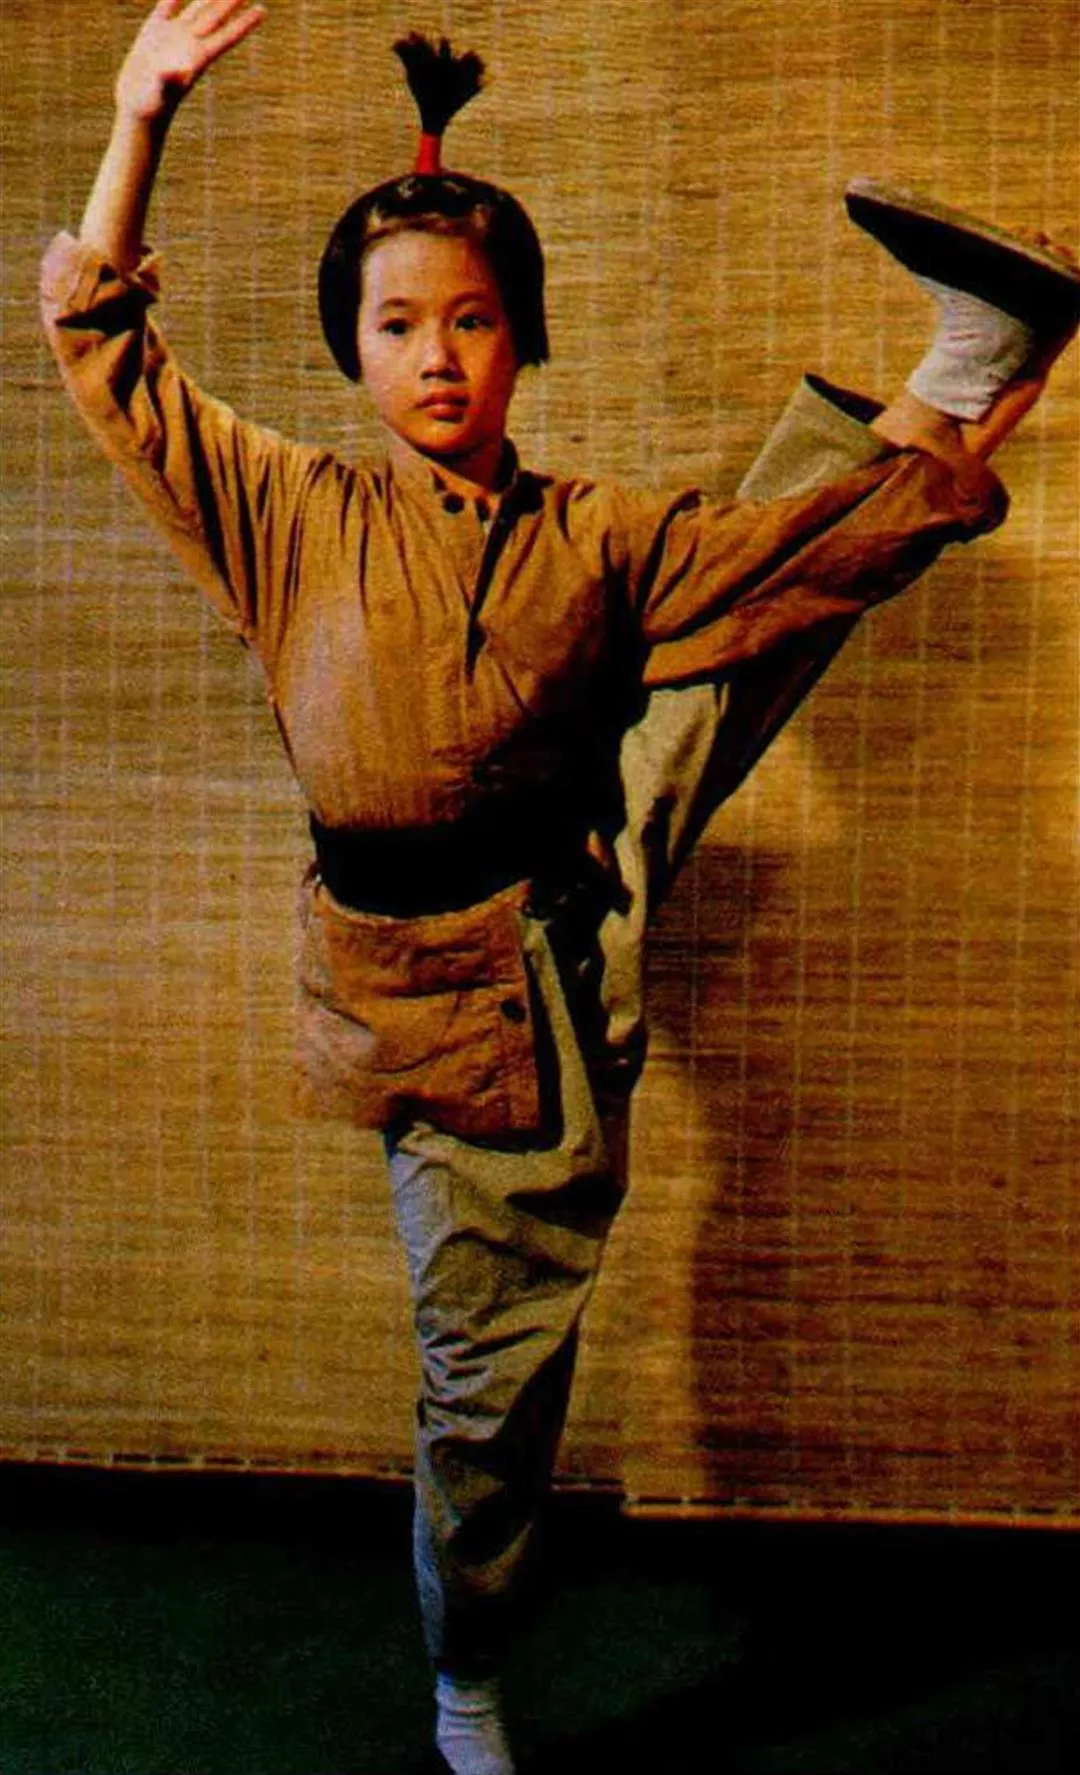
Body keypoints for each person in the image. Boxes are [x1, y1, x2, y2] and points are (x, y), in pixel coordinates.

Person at [41, 4, 1079, 1770]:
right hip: (424, 980)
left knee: (754, 600)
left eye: (472, 319)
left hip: (564, 919)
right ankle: (471, 1660)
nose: (438, 356)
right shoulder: (285, 512)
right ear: (352, 349)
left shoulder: (596, 532)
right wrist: (143, 118)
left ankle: (975, 359)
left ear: (521, 336)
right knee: (484, 1380)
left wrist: (945, 464)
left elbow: (789, 562)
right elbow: (105, 350)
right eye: (397, 325)